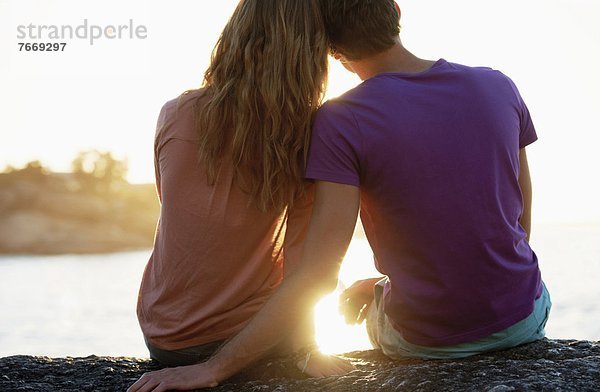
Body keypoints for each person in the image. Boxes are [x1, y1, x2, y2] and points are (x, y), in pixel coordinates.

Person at [129, 0, 551, 390]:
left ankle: (381, 289)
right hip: (520, 317)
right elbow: (520, 220)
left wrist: (210, 367)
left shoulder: (181, 114)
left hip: (169, 338)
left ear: (333, 49)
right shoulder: (498, 84)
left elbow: (306, 268)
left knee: (369, 296)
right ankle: (381, 289)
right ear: (396, 11)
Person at [129, 1, 353, 390]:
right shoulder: (309, 135)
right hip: (244, 341)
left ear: (234, 38)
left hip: (164, 338)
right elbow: (308, 270)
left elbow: (182, 216)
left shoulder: (175, 113)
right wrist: (309, 346)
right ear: (312, 57)